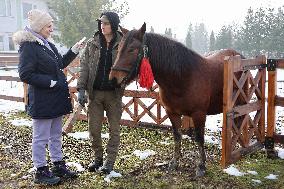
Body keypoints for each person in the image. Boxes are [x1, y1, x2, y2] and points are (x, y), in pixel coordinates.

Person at [13, 9, 83, 185]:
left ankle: (58, 164)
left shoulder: (46, 44)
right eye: (48, 26)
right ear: (39, 26)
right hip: (43, 101)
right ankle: (41, 170)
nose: (51, 29)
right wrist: (50, 82)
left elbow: (59, 63)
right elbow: (25, 74)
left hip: (55, 99)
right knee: (40, 137)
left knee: (55, 135)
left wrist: (73, 50)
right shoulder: (28, 46)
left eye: (51, 26)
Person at [77, 11, 124, 174]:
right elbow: (84, 67)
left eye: (106, 23)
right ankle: (98, 158)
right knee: (94, 130)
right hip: (94, 94)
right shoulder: (92, 43)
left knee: (114, 130)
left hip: (114, 95)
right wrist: (81, 89)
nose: (102, 26)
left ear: (114, 25)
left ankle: (109, 162)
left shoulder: (122, 44)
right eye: (101, 23)